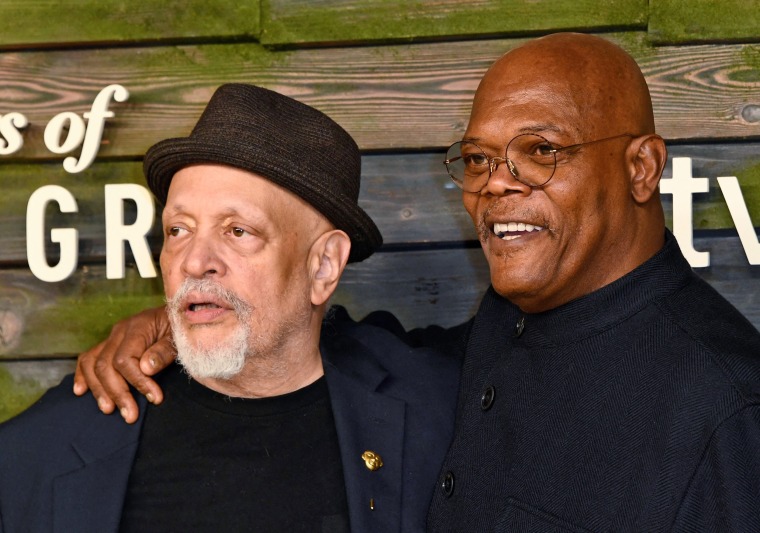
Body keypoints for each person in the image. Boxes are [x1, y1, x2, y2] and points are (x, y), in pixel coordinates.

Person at [77, 33, 760, 531]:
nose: (496, 182)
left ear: (642, 168)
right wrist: (197, 320)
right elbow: (378, 359)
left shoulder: (729, 410)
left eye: (541, 152)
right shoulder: (502, 327)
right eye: (478, 157)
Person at [0, 84, 460, 533]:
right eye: (178, 230)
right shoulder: (40, 446)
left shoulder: (438, 409)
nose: (194, 262)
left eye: (237, 231)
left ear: (323, 266)